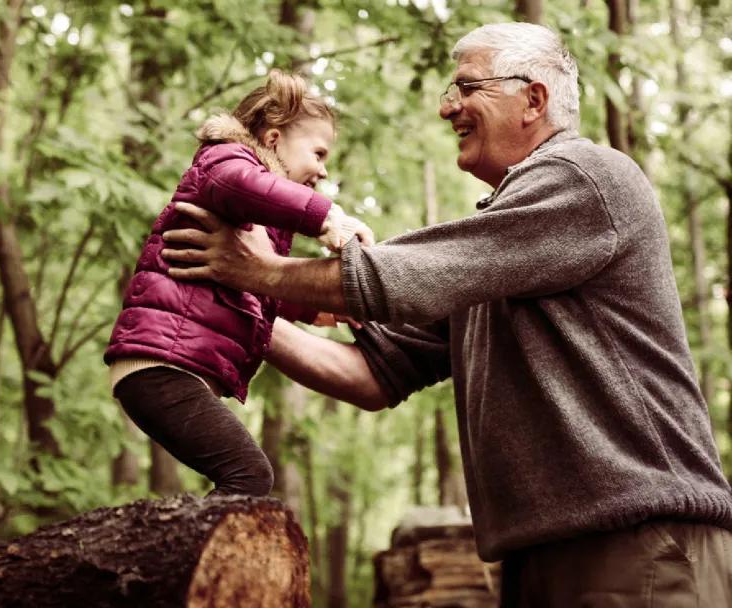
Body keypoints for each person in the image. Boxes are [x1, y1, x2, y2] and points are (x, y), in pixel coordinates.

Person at [159, 22, 732, 605]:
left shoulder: (585, 178)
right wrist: (237, 300)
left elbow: (392, 277)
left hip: (639, 543)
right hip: (542, 555)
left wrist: (255, 273)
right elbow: (371, 377)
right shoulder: (501, 252)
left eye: (465, 87)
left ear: (533, 99)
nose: (446, 108)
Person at [104, 70, 372, 497]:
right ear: (272, 141)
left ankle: (188, 556)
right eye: (318, 154)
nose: (322, 171)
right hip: (160, 367)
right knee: (249, 476)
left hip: (168, 369)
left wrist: (313, 309)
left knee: (246, 476)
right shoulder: (225, 163)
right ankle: (193, 560)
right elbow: (239, 185)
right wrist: (326, 219)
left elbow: (252, 283)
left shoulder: (254, 217)